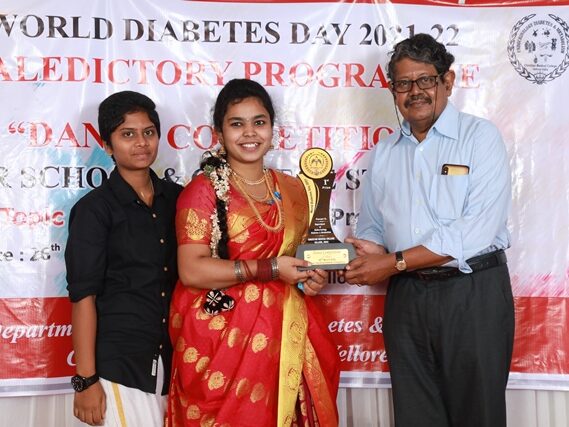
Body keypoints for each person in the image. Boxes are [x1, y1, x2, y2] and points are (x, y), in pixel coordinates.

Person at [344, 34, 514, 427]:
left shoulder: (480, 137)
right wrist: (354, 255)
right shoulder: (385, 153)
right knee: (415, 416)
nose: (415, 92)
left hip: (472, 294)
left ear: (447, 81)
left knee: (479, 416)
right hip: (407, 300)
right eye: (403, 84)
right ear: (393, 91)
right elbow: (373, 227)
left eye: (425, 80)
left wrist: (392, 262)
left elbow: (474, 232)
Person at [166, 78, 340, 426]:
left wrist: (311, 278)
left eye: (259, 122)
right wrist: (272, 269)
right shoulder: (202, 192)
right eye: (237, 124)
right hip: (222, 344)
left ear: (272, 130)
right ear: (219, 133)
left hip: (286, 335)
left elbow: (300, 260)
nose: (249, 133)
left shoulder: (293, 189)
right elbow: (192, 270)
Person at [65, 91, 183, 426]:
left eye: (149, 132)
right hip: (120, 368)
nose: (141, 143)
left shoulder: (179, 199)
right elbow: (83, 297)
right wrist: (85, 381)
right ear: (107, 145)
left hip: (178, 363)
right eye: (127, 134)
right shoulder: (94, 210)